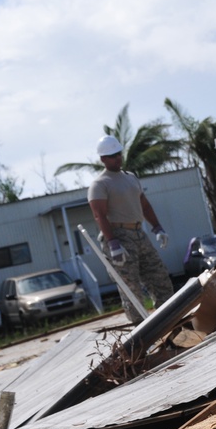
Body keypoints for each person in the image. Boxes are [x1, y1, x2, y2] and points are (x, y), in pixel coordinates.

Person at [87, 135, 174, 323]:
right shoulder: (100, 184)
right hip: (119, 237)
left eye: (118, 154)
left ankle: (170, 323)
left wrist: (158, 228)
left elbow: (144, 205)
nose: (117, 158)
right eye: (112, 156)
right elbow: (99, 215)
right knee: (131, 288)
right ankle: (142, 334)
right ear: (103, 159)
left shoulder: (131, 177)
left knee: (159, 278)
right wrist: (113, 243)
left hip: (139, 233)